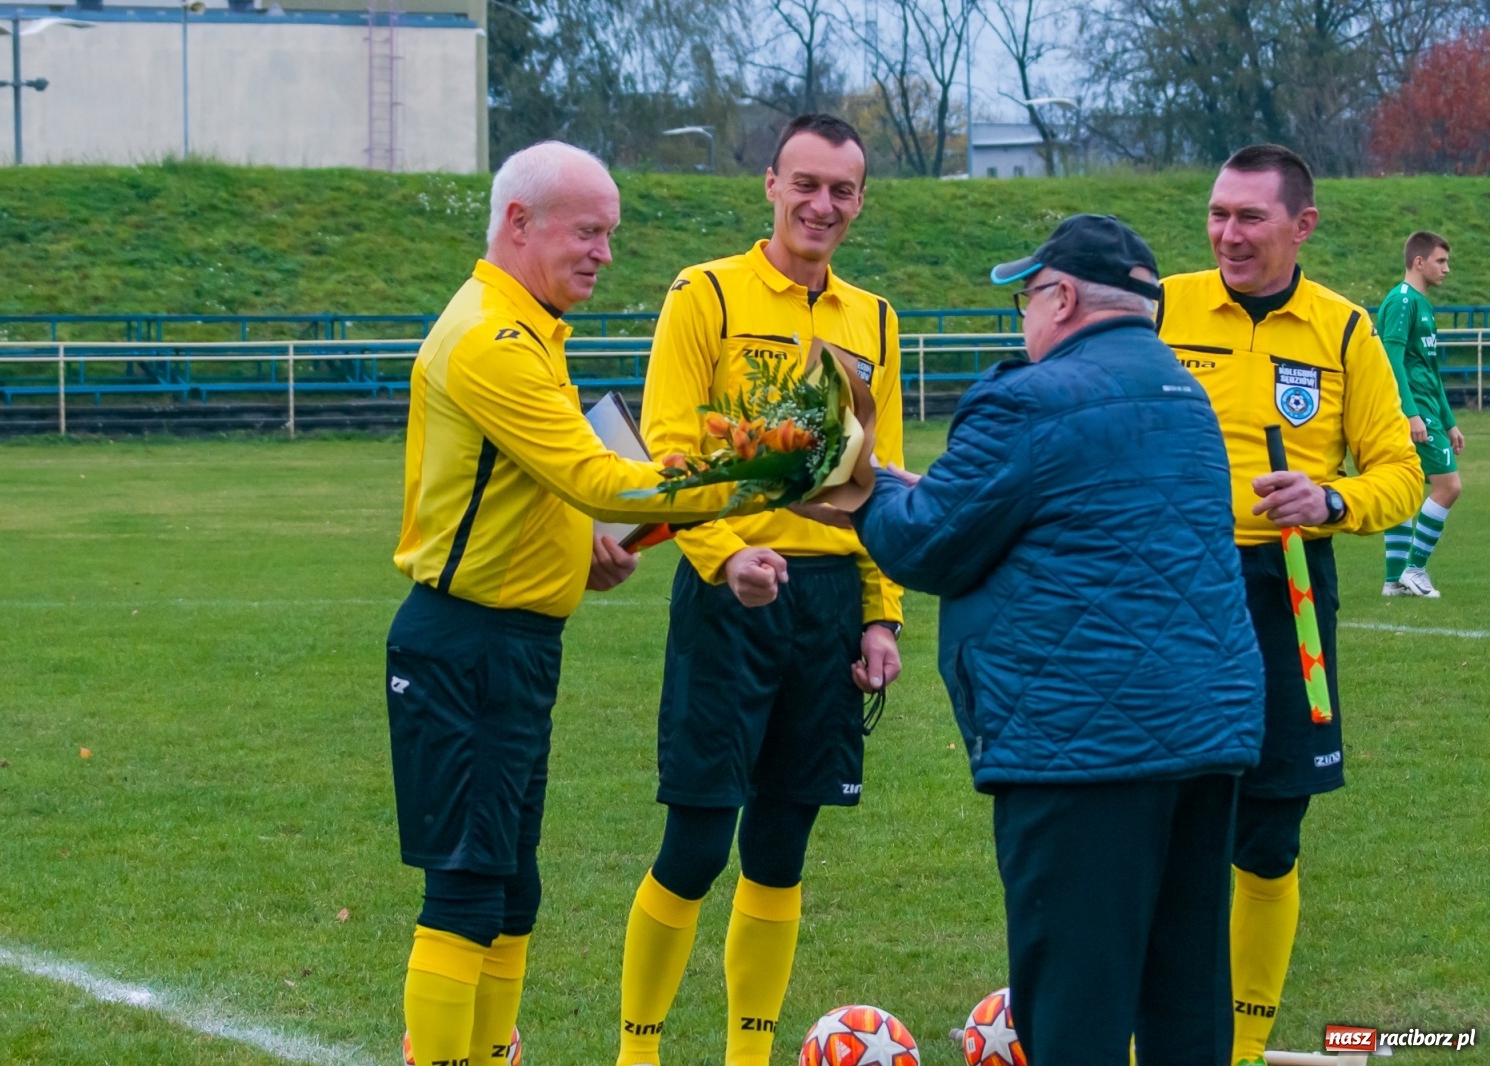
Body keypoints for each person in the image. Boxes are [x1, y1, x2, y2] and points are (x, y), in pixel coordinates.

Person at [850, 214, 1266, 1066]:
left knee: (1076, 1003)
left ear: (1063, 296)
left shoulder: (1030, 397)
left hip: (1084, 747)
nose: (1023, 319)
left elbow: (927, 543)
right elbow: (1077, 517)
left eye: (1027, 298)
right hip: (1202, 735)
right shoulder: (1184, 392)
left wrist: (862, 492)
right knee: (1185, 990)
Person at [386, 140, 756, 1066]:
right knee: (468, 889)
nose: (603, 252)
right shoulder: (491, 338)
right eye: (588, 231)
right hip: (467, 644)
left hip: (512, 644)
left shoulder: (529, 328)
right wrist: (746, 476)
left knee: (513, 890)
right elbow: (595, 475)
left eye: (611, 235)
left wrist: (577, 549)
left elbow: (531, 486)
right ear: (520, 224)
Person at [615, 113, 905, 1066]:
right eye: (807, 184)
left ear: (860, 202)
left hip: (825, 609)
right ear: (771, 185)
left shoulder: (874, 318)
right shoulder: (705, 294)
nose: (823, 204)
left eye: (843, 190)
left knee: (781, 848)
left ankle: (750, 1054)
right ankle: (639, 1050)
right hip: (729, 596)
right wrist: (724, 552)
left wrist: (878, 614)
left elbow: (879, 477)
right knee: (698, 844)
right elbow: (667, 446)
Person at [1156, 145, 1423, 1066]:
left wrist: (1331, 501)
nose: (1228, 233)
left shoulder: (1346, 332)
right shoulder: (1163, 305)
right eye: (1218, 213)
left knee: (1268, 830)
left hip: (1289, 593)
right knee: (1167, 818)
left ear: (1301, 226)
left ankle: (1241, 1045)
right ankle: (1160, 1027)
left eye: (1250, 217)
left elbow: (1401, 471)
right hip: (1169, 588)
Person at [1376, 231, 1465, 597]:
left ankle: (1393, 580)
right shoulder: (1401, 301)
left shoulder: (1422, 304)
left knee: (1407, 488)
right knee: (1449, 486)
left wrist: (1450, 421)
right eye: (1440, 261)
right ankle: (1415, 568)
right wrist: (1411, 413)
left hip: (1428, 408)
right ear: (1419, 262)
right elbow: (1391, 360)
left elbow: (1429, 368)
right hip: (1414, 410)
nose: (1446, 268)